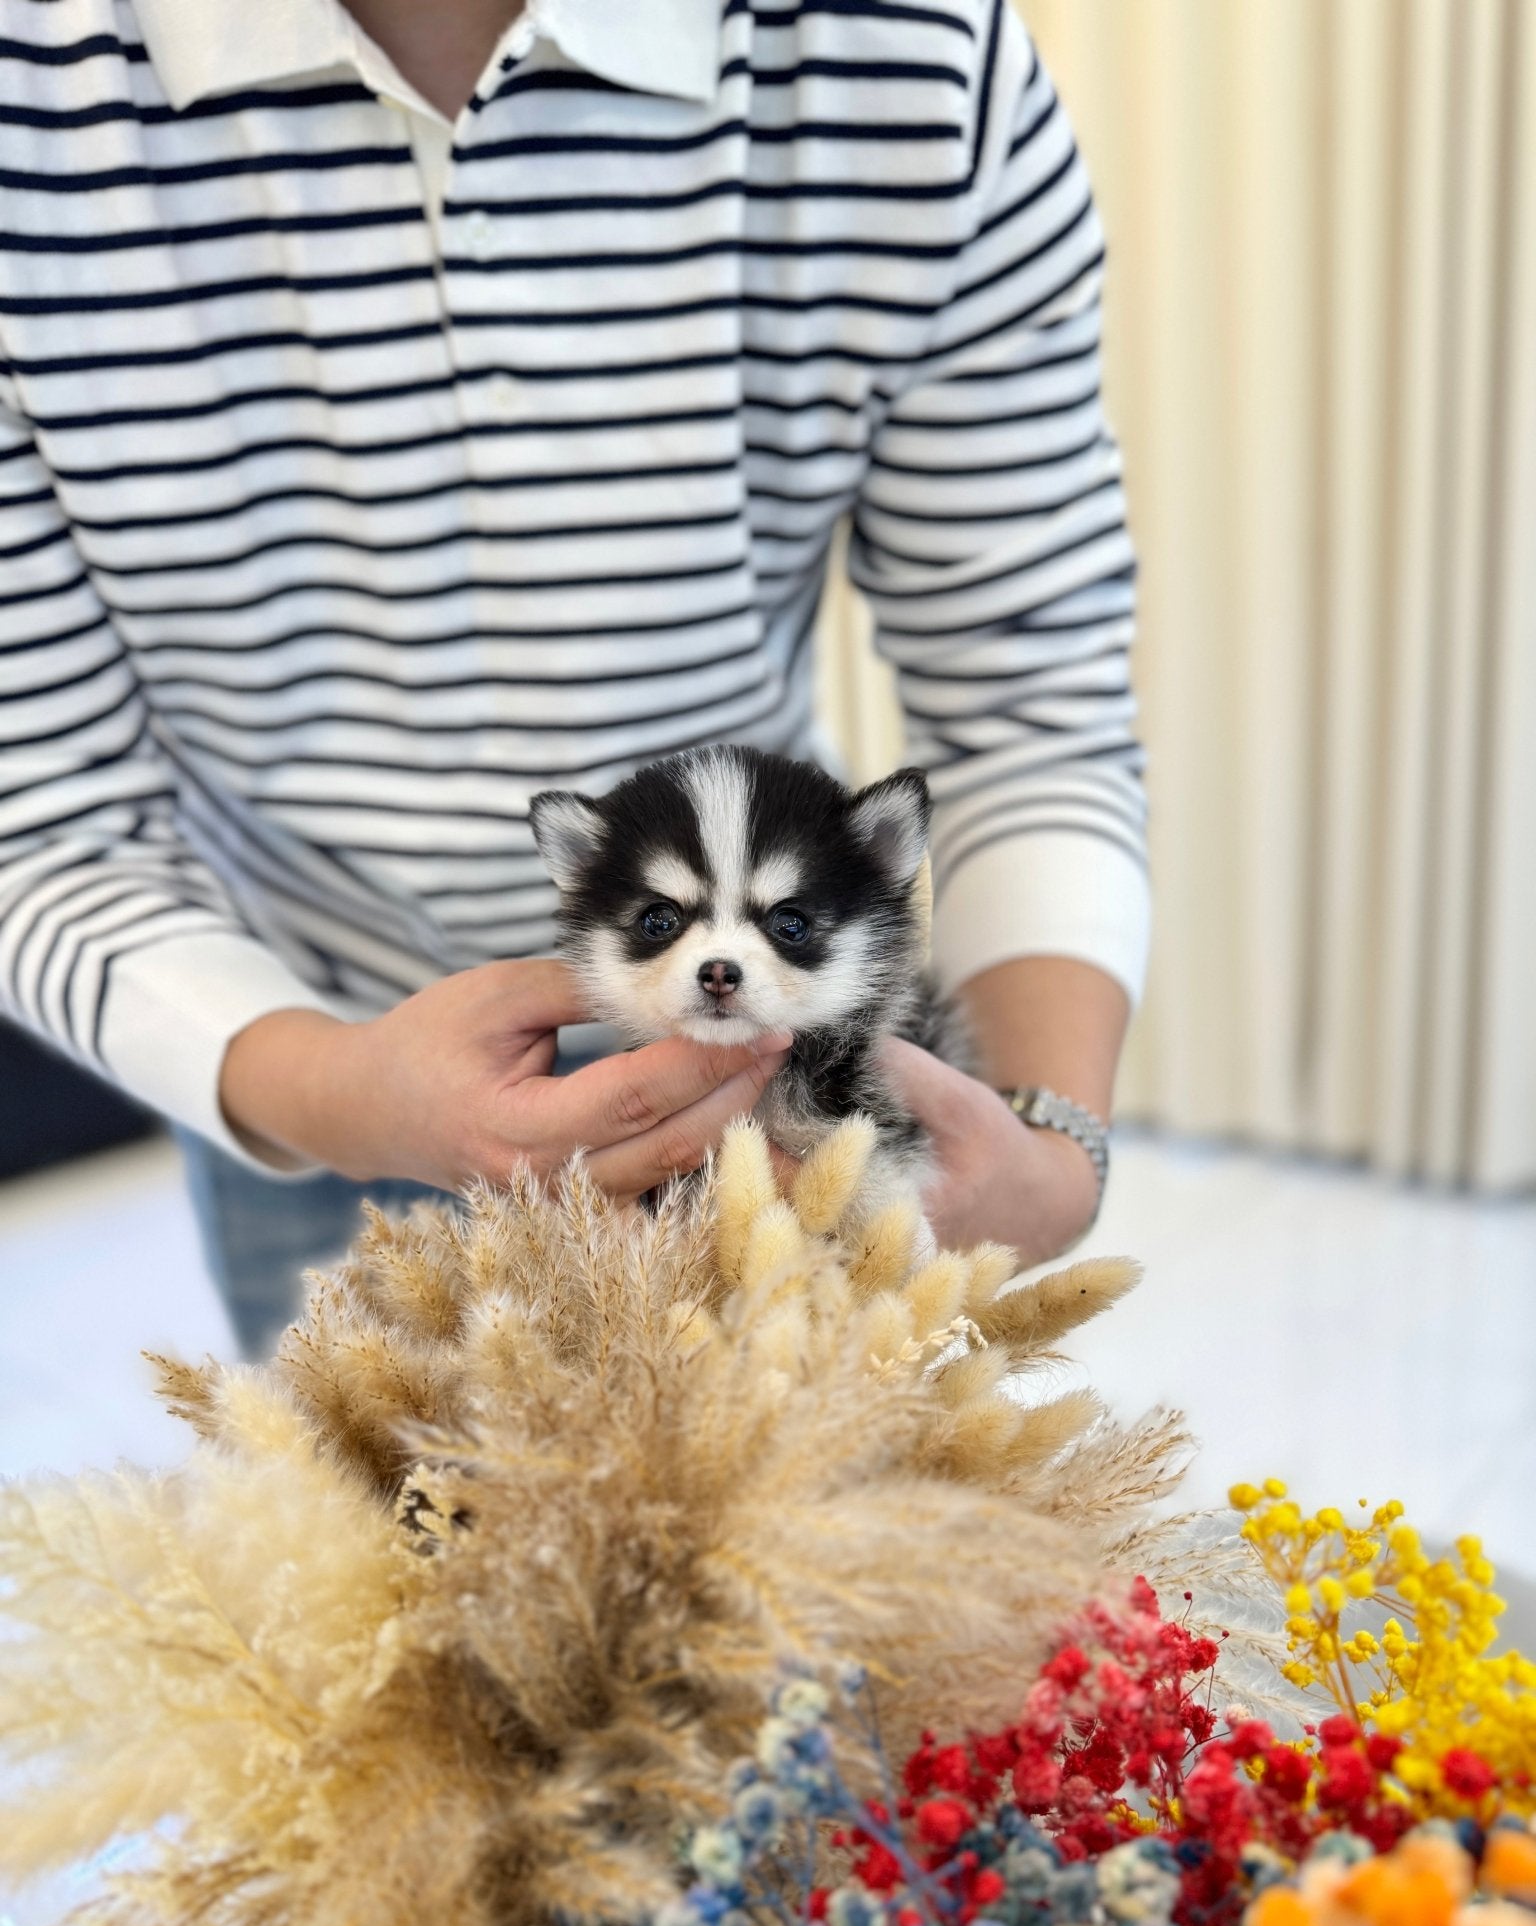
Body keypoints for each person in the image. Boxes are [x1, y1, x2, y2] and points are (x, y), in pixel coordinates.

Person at [0, 0, 1147, 1355]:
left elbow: (1034, 700)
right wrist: (326, 1089)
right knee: (359, 1493)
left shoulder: (913, 53)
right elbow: (38, 809)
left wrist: (1046, 1142)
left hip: (801, 1092)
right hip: (284, 1042)